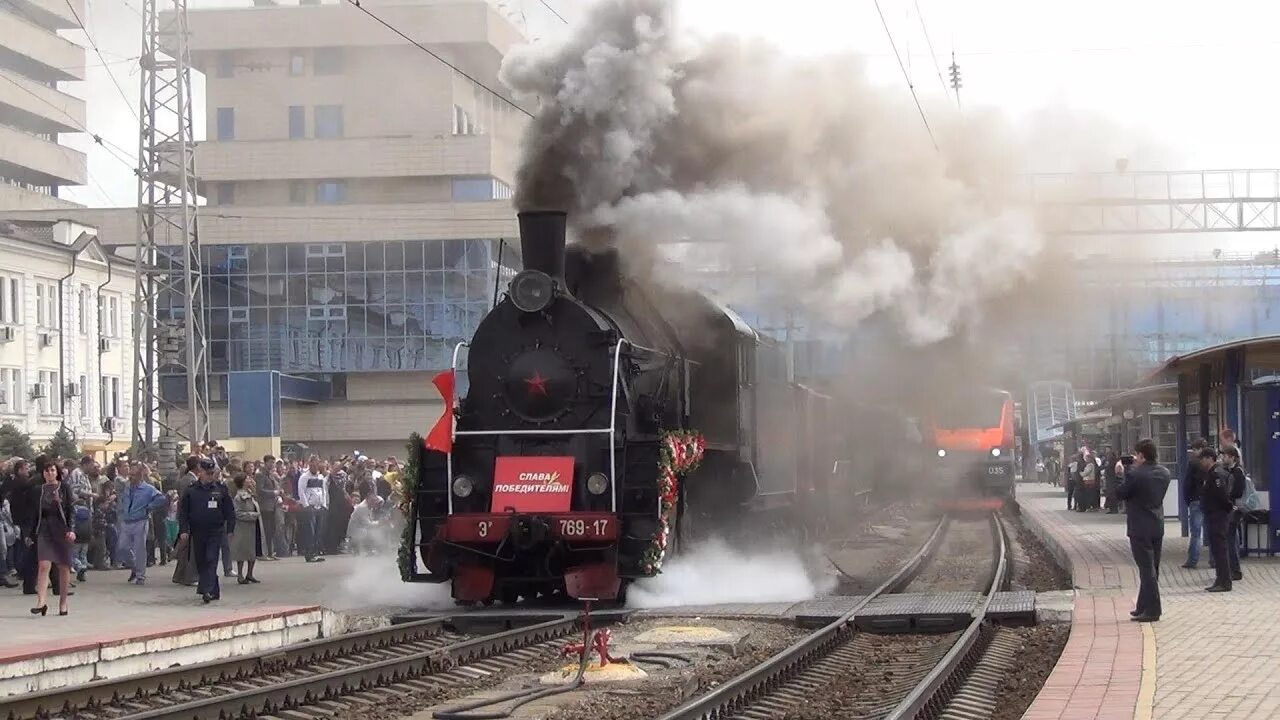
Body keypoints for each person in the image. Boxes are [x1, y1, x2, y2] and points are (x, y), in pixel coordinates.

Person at [1115, 439, 1170, 622]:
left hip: (1139, 527)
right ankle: (1142, 605)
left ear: (1141, 455)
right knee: (1152, 567)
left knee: (1146, 570)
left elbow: (1120, 493)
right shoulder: (1164, 473)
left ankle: (1153, 610)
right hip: (1157, 525)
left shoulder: (1135, 475)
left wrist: (1124, 473)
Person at [178, 458, 234, 603]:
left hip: (215, 530)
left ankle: (207, 590)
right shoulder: (191, 490)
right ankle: (213, 588)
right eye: (207, 473)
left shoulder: (220, 489)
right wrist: (184, 530)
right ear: (200, 472)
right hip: (198, 531)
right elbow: (183, 512)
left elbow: (229, 511)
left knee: (211, 558)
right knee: (202, 561)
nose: (210, 476)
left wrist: (230, 531)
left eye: (212, 473)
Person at [29, 456, 75, 616]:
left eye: (52, 470)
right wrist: (30, 533)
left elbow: (71, 509)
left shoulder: (64, 488)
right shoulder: (38, 490)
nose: (49, 473)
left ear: (57, 472)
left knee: (63, 566)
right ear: (43, 473)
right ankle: (41, 602)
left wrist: (71, 529)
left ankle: (63, 602)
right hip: (44, 529)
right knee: (43, 565)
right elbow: (34, 513)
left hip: (62, 528)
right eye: (47, 470)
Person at [119, 463, 168, 586]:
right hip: (126, 520)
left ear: (140, 475)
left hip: (140, 520)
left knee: (139, 549)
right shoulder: (127, 487)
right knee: (122, 547)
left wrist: (149, 507)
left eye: (134, 475)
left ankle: (140, 575)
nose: (131, 477)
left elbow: (161, 498)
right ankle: (135, 566)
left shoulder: (148, 488)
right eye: (130, 474)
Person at [1198, 447, 1235, 592]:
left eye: (1202, 459)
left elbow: (1222, 496)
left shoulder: (1216, 474)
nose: (1201, 462)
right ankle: (1220, 579)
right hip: (1212, 515)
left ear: (1209, 458)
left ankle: (1225, 582)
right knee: (1216, 549)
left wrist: (1228, 508)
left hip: (1218, 515)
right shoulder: (1210, 474)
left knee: (1220, 550)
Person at [171, 456, 200, 587]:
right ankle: (188, 576)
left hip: (185, 516)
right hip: (189, 517)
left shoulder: (183, 479)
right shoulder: (190, 481)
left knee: (184, 548)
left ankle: (179, 575)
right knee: (188, 548)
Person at [1180, 438, 1210, 569]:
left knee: (1196, 533)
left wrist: (1188, 499)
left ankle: (1192, 560)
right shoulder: (1212, 463)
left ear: (1199, 449)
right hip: (1209, 501)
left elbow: (1187, 483)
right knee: (1210, 531)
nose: (1193, 452)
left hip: (1195, 500)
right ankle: (1214, 560)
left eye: (1194, 449)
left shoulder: (1193, 463)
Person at [230, 474, 263, 585]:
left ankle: (250, 573)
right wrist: (252, 515)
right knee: (242, 552)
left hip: (253, 526)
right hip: (243, 527)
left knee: (252, 551)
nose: (250, 480)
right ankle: (240, 575)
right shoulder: (239, 496)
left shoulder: (250, 493)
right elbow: (237, 513)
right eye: (247, 479)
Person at [1220, 446, 1246, 583]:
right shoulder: (1231, 471)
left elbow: (1238, 492)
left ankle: (1235, 570)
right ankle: (1233, 569)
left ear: (1232, 457)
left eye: (1225, 455)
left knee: (1230, 540)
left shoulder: (1237, 472)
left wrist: (1227, 496)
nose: (1223, 458)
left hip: (1235, 509)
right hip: (1233, 508)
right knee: (1231, 539)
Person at [296, 458, 328, 563]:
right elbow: (301, 492)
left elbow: (323, 491)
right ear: (310, 465)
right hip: (310, 507)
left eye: (316, 465)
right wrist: (306, 505)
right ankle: (309, 554)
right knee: (310, 531)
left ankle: (315, 552)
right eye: (312, 465)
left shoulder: (320, 477)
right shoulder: (304, 477)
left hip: (319, 507)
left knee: (318, 532)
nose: (314, 467)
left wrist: (324, 504)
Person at [255, 456, 281, 561]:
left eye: (273, 463)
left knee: (272, 530)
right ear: (265, 463)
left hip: (273, 505)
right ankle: (264, 553)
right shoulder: (260, 474)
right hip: (265, 506)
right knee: (266, 530)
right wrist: (273, 493)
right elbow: (260, 490)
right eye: (270, 462)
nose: (272, 465)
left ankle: (271, 552)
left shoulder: (271, 474)